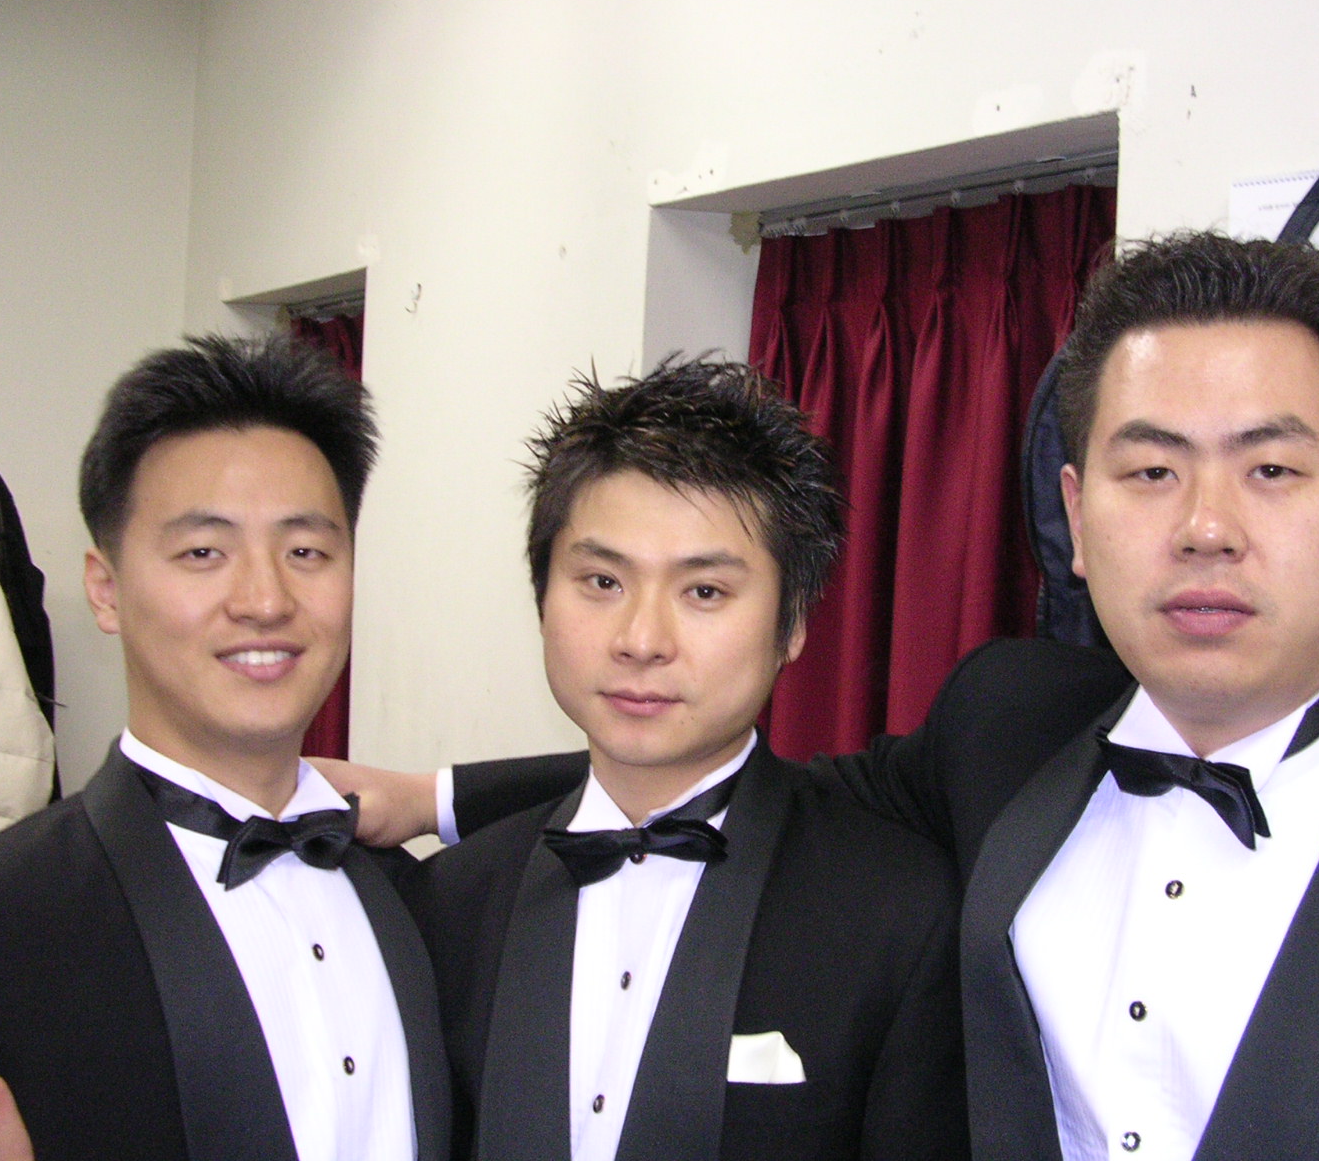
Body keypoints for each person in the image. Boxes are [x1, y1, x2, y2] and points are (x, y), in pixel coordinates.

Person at [329, 233, 1319, 1160]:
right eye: (1150, 470)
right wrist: (433, 798)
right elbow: (717, 778)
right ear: (1075, 514)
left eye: (1270, 469)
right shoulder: (1005, 725)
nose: (1205, 527)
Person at [398, 359, 966, 1160]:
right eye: (602, 580)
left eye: (704, 592)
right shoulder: (448, 902)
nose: (641, 640)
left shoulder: (898, 910)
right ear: (542, 595)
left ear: (793, 623)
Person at [0, 336, 449, 1161]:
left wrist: (440, 796)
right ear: (106, 589)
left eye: (306, 552)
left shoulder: (425, 900)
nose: (265, 600)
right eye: (203, 552)